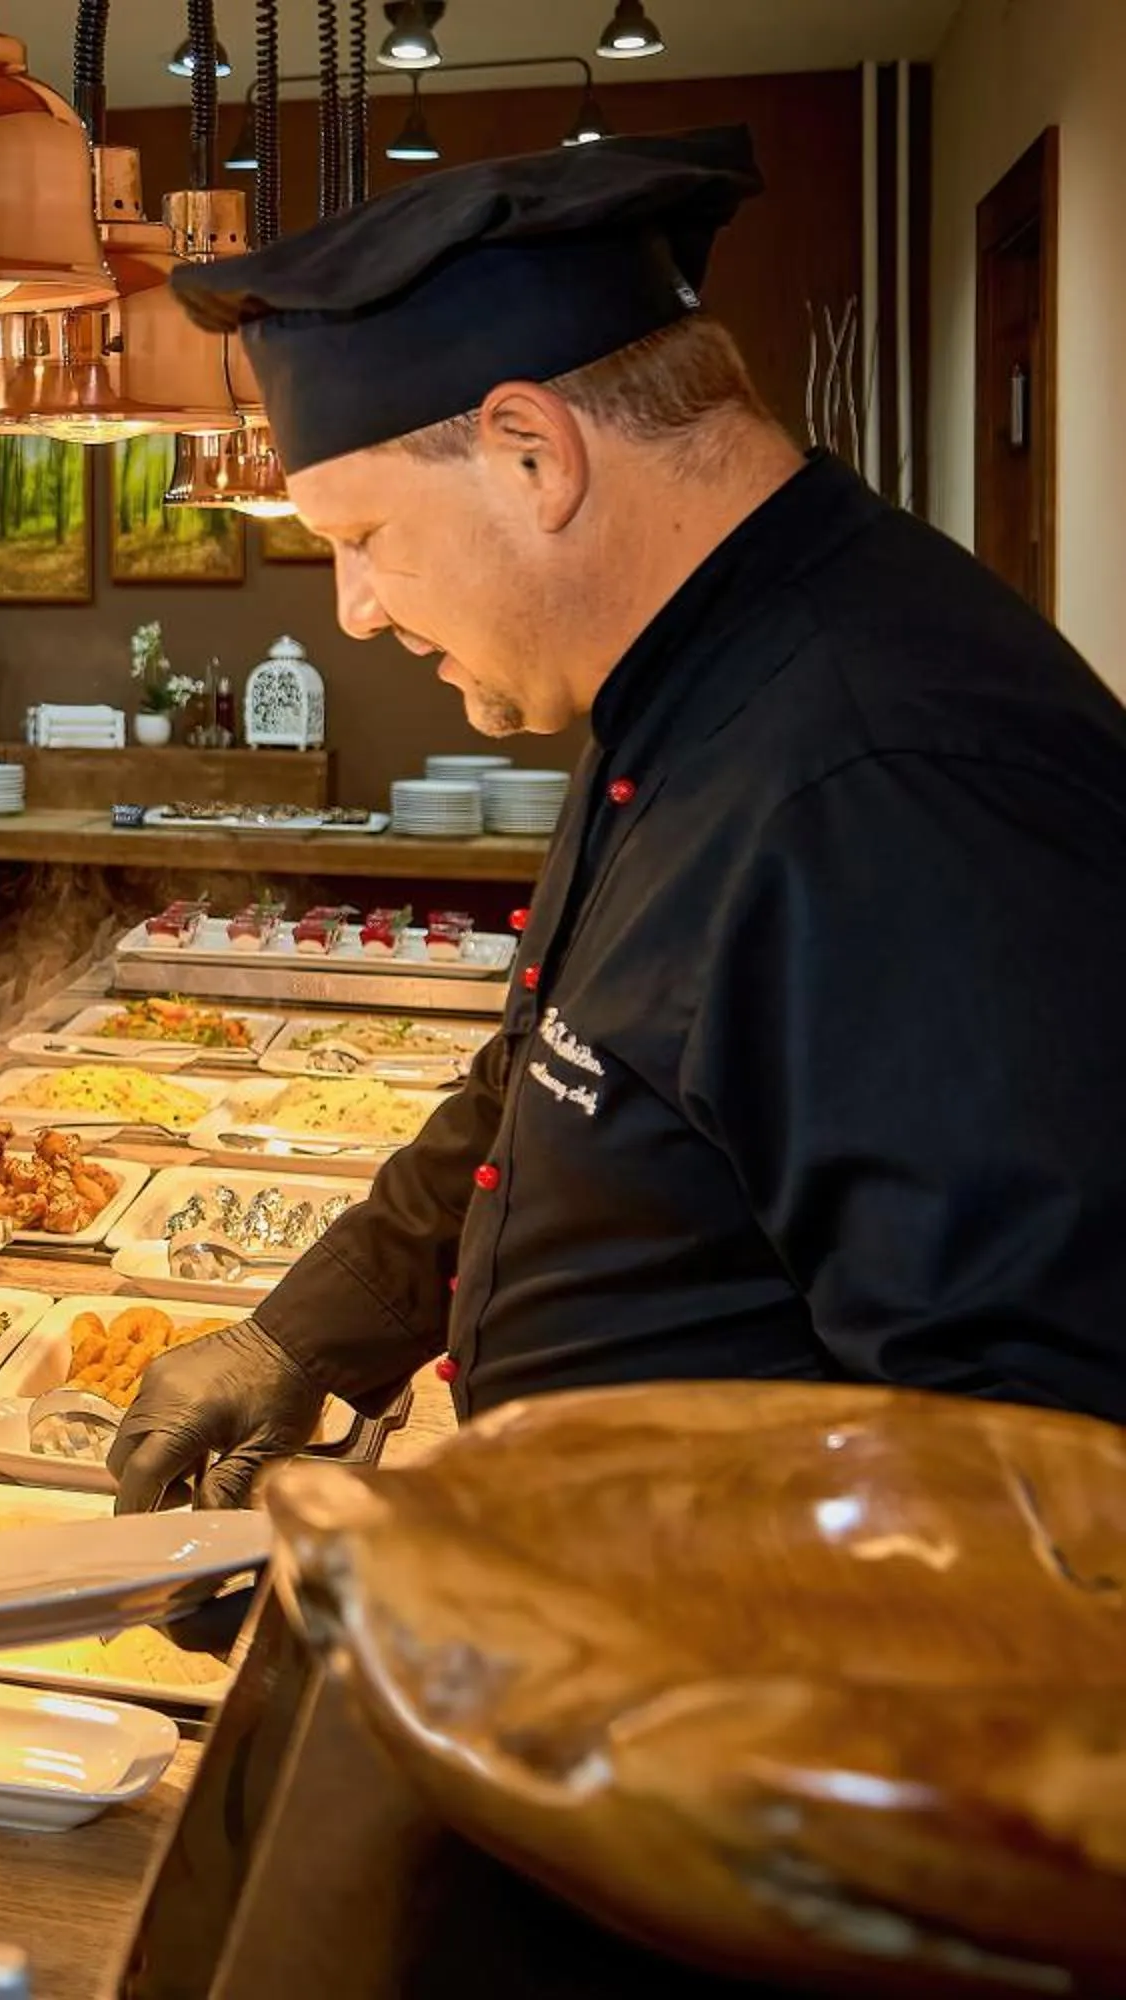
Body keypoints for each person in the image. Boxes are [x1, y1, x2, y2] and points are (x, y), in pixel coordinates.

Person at [107, 127, 1126, 1511]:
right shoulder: (686, 674)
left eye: (362, 539)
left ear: (534, 453)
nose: (355, 611)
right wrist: (313, 1333)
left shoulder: (890, 778)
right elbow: (559, 1076)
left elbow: (1018, 1483)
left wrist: (472, 1582)